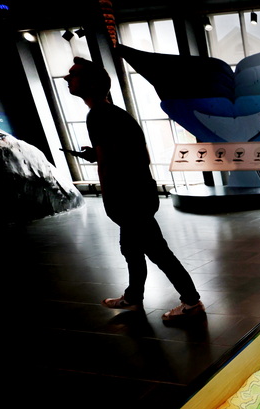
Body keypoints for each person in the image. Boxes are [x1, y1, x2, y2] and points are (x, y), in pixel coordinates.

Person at [64, 57, 205, 323]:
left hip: (128, 197)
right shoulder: (112, 113)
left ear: (92, 83)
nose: (67, 80)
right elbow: (129, 154)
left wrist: (110, 196)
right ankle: (133, 296)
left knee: (157, 251)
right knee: (131, 249)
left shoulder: (98, 115)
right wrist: (97, 155)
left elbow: (112, 162)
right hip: (137, 193)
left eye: (74, 75)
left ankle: (191, 300)